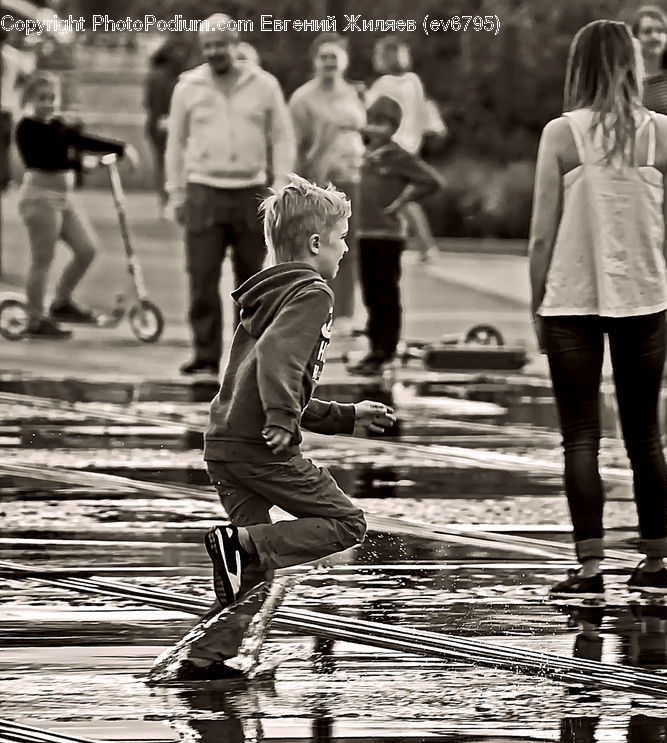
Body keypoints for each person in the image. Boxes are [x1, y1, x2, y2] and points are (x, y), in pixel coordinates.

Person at [174, 175, 396, 682]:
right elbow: (280, 361)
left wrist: (344, 416)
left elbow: (275, 379)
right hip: (260, 444)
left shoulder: (270, 295)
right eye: (341, 240)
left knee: (255, 567)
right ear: (316, 244)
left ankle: (207, 656)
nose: (344, 251)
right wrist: (279, 420)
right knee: (347, 524)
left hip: (226, 444)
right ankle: (241, 545)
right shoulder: (312, 293)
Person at [528, 21, 667, 599]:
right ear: (632, 65)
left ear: (580, 67)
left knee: (580, 438)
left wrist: (536, 301)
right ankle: (655, 564)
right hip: (644, 300)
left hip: (571, 300)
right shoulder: (660, 134)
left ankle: (590, 572)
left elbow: (542, 235)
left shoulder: (562, 135)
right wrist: (657, 284)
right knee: (646, 437)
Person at [165, 14, 295, 376]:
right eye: (207, 46)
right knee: (202, 276)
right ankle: (205, 356)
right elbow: (175, 144)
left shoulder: (264, 85)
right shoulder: (187, 87)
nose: (213, 53)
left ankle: (250, 357)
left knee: (252, 278)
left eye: (219, 45)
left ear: (234, 45)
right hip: (203, 188)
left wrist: (281, 184)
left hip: (250, 190)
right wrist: (175, 192)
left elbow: (281, 136)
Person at [15, 73, 137, 339]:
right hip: (39, 198)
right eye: (41, 98)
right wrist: (80, 165)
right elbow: (44, 158)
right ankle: (36, 318)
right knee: (42, 260)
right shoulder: (26, 128)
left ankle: (61, 302)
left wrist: (122, 148)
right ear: (29, 100)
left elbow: (83, 141)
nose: (48, 104)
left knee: (87, 249)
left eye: (52, 98)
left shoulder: (58, 125)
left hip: (62, 198)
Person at [347, 96, 443, 377]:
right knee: (369, 293)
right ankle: (374, 346)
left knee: (385, 293)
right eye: (373, 122)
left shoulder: (398, 156)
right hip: (364, 232)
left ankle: (385, 349)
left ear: (393, 127)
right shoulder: (365, 156)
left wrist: (404, 200)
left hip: (387, 234)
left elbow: (432, 181)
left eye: (383, 124)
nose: (376, 129)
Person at [288, 33, 366, 335]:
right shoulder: (303, 99)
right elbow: (294, 144)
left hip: (353, 178)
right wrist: (292, 184)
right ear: (315, 61)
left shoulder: (355, 94)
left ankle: (345, 313)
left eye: (335, 57)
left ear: (345, 61)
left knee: (347, 246)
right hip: (319, 183)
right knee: (315, 247)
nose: (330, 63)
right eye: (324, 57)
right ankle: (311, 307)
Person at [367, 36, 443, 263]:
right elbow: (422, 110)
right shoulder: (413, 81)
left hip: (393, 144)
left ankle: (426, 245)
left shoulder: (384, 84)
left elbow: (370, 108)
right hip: (412, 143)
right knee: (407, 196)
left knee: (399, 197)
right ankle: (424, 245)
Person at [143, 39, 191, 214]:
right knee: (167, 161)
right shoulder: (165, 76)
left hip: (159, 122)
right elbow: (156, 102)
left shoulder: (157, 74)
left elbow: (148, 102)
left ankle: (165, 198)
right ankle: (168, 198)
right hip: (164, 122)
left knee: (162, 161)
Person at [631, 5, 667, 115]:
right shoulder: (629, 80)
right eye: (647, 31)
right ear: (636, 37)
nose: (655, 36)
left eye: (660, 31)